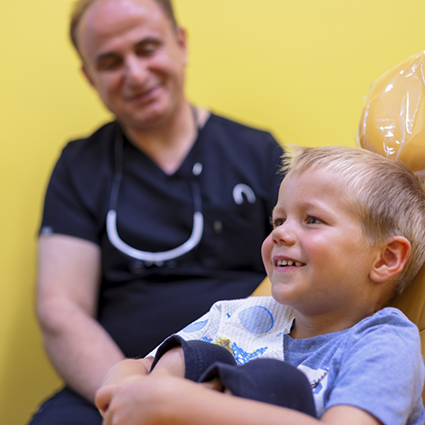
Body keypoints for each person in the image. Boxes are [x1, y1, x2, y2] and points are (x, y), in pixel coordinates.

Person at [30, 0, 284, 423]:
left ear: (181, 43)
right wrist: (130, 393)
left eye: (147, 48)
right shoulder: (79, 166)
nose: (135, 74)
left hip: (242, 372)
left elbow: (302, 272)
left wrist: (201, 394)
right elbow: (61, 309)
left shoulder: (256, 152)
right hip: (113, 382)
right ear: (89, 77)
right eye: (110, 62)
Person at [95, 145, 425, 425]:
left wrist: (185, 405)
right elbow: (140, 366)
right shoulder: (240, 315)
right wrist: (125, 389)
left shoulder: (385, 341)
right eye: (278, 220)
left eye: (312, 220)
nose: (279, 233)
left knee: (275, 380)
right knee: (191, 355)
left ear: (386, 259)